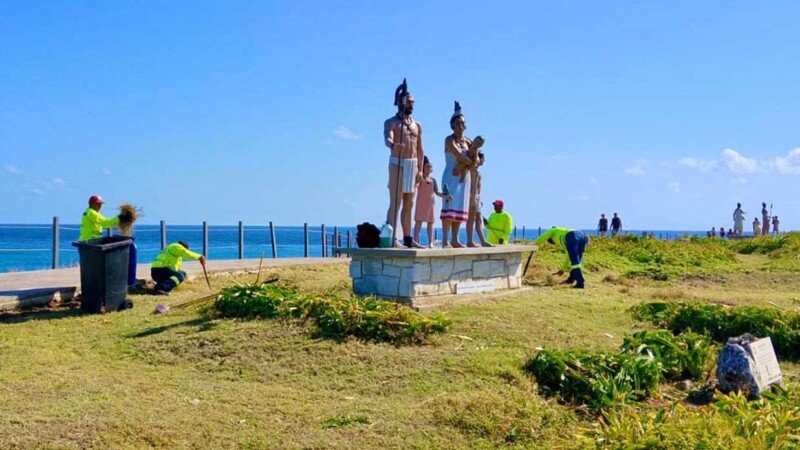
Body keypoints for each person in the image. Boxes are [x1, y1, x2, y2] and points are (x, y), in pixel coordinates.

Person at [384, 79, 424, 248]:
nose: (411, 105)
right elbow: (387, 138)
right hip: (397, 163)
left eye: (413, 102)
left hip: (412, 164)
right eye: (409, 102)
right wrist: (393, 145)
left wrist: (420, 170)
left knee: (409, 202)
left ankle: (408, 237)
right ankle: (392, 237)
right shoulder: (391, 122)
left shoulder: (417, 125)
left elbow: (420, 148)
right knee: (396, 201)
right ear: (401, 102)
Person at [440, 101, 475, 247]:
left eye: (463, 123)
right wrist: (465, 163)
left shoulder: (468, 141)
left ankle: (455, 238)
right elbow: (460, 155)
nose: (461, 126)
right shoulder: (449, 140)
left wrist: (462, 167)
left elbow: (476, 160)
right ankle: (445, 239)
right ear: (453, 124)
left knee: (460, 207)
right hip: (451, 176)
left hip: (464, 177)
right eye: (458, 123)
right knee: (449, 206)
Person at [413, 157, 451, 247]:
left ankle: (431, 242)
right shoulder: (420, 178)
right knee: (419, 221)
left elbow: (437, 192)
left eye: (430, 166)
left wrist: (446, 196)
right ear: (423, 167)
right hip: (421, 203)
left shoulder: (433, 180)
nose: (429, 168)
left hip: (431, 204)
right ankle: (415, 241)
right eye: (427, 166)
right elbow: (415, 184)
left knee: (430, 222)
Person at [470, 152, 492, 247]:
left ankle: (482, 240)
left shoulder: (478, 172)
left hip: (478, 196)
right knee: (471, 218)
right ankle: (470, 240)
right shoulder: (472, 170)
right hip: (472, 196)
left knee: (478, 218)